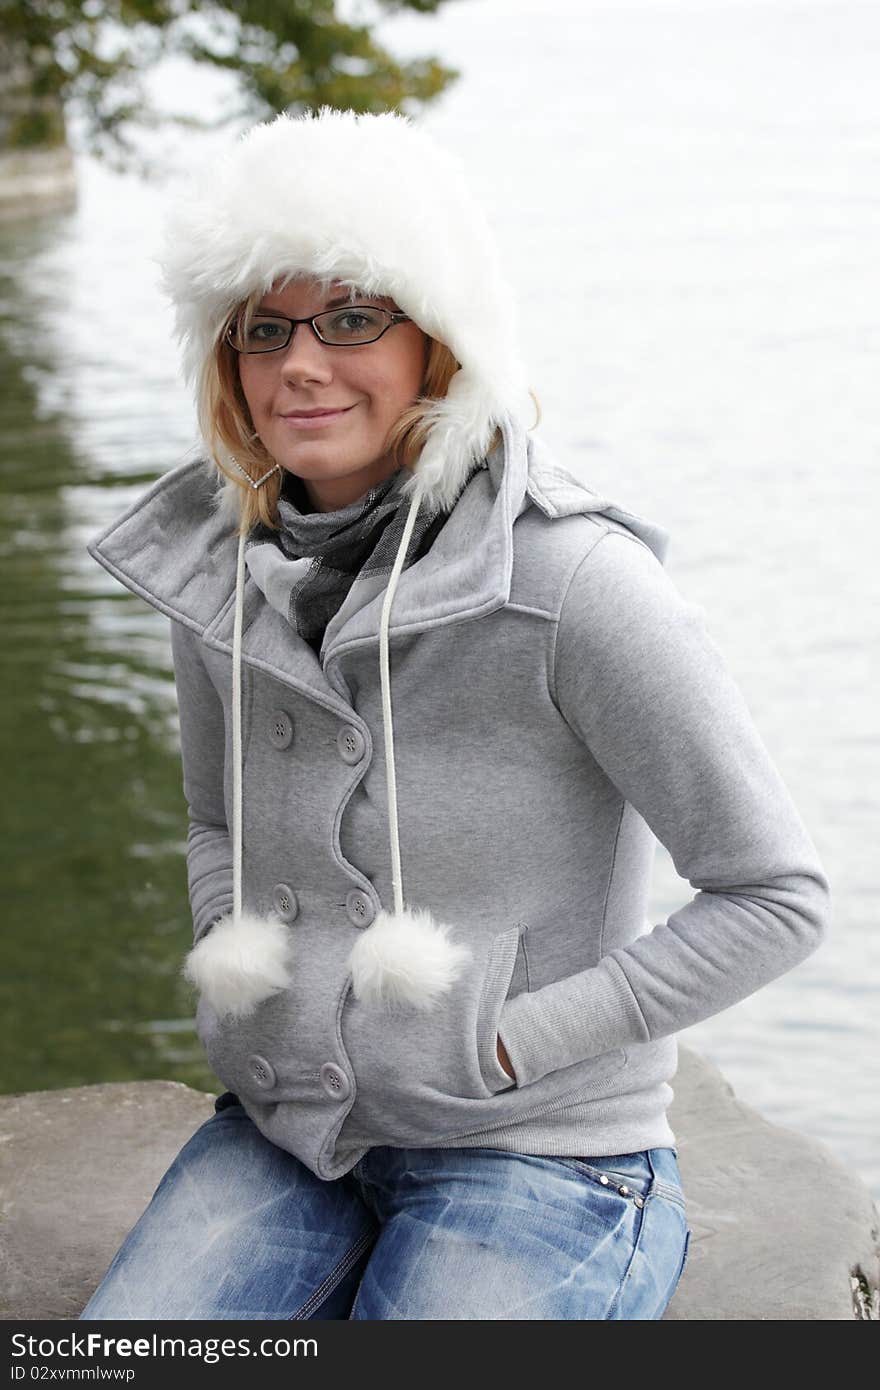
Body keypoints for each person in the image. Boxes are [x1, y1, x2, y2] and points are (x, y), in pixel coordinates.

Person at [79, 106, 831, 1321]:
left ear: (440, 341)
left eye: (352, 317)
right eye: (262, 330)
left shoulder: (575, 584)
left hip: (541, 1149)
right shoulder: (215, 570)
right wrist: (249, 972)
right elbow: (214, 820)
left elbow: (774, 895)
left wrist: (501, 1046)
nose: (300, 364)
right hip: (290, 1123)